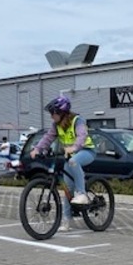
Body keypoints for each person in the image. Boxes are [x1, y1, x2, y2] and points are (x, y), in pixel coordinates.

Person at [30, 96, 95, 232]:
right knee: (67, 189)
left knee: (73, 161)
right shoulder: (56, 126)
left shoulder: (77, 120)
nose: (51, 116)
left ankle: (82, 193)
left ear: (61, 112)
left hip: (86, 151)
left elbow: (82, 136)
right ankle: (67, 220)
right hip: (69, 156)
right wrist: (37, 149)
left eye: (53, 113)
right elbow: (48, 138)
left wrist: (74, 147)